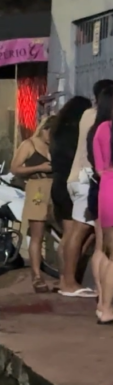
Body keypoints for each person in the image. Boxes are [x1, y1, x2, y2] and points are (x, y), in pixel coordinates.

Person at [62, 81, 113, 299]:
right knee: (82, 231)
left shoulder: (86, 116)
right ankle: (69, 281)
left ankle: (67, 279)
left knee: (78, 232)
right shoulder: (102, 124)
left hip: (80, 178)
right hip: (87, 180)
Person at [10, 117, 55, 293]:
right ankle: (36, 275)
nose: (51, 136)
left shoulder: (56, 145)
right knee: (37, 234)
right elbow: (15, 168)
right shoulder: (29, 145)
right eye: (49, 131)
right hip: (37, 188)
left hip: (55, 188)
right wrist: (39, 168)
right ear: (43, 129)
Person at [51, 96, 93, 275]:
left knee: (68, 236)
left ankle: (65, 277)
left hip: (59, 183)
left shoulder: (57, 131)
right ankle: (69, 278)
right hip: (72, 183)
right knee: (76, 235)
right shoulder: (74, 133)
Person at [91, 97, 113, 323]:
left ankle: (104, 306)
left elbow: (98, 168)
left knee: (109, 253)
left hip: (107, 188)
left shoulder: (103, 129)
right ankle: (107, 309)